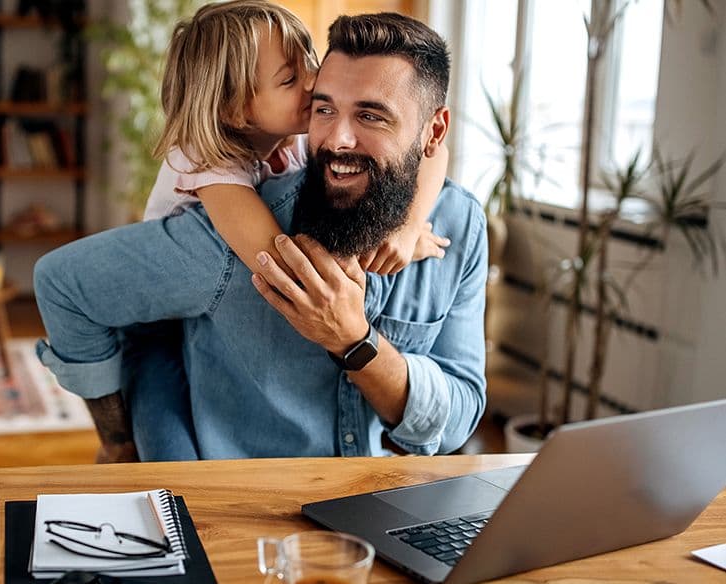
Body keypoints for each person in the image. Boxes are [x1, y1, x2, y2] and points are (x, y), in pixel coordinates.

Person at [35, 12, 487, 461]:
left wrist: (406, 229)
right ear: (237, 108)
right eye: (323, 106)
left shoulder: (458, 223)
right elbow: (283, 263)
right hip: (159, 352)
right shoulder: (222, 193)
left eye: (371, 115)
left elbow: (457, 421)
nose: (335, 136)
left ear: (433, 129)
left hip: (380, 504)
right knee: (164, 453)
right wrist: (116, 440)